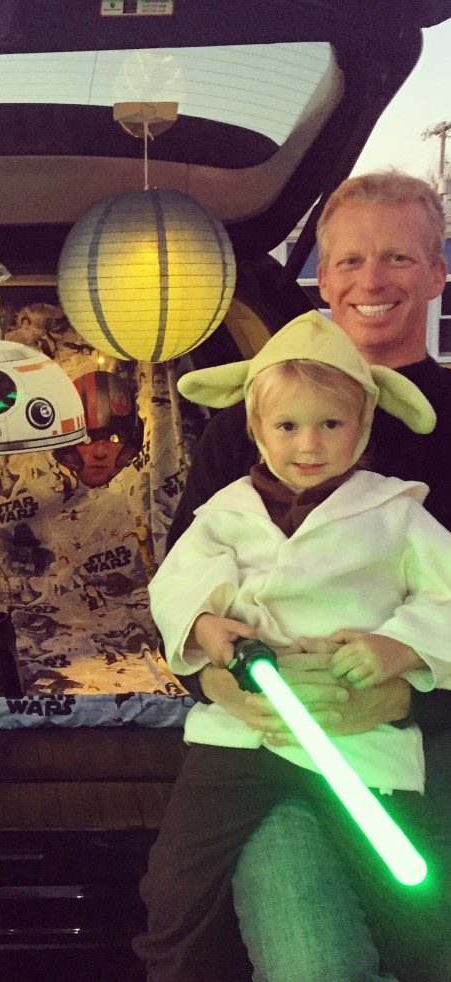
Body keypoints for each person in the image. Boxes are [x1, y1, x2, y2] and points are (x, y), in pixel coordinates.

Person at [166, 170, 451, 979]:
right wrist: (220, 681)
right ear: (322, 279)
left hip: (423, 754)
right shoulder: (242, 428)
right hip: (268, 758)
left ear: (439, 273)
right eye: (350, 260)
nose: (372, 280)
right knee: (312, 964)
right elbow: (181, 583)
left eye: (399, 257)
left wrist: (406, 693)